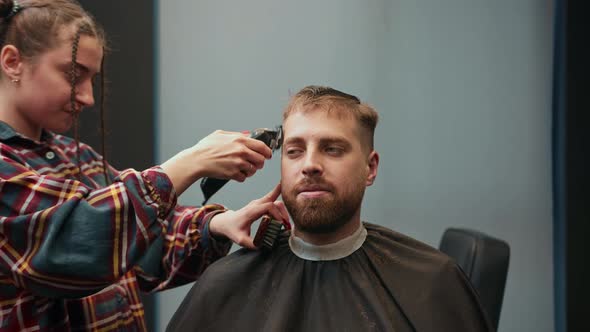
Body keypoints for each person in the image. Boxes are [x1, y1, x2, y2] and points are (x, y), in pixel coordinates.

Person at [0, 0, 289, 331]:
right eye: (72, 74)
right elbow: (80, 246)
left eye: (92, 79)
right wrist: (190, 162)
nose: (88, 97)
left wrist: (219, 226)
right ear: (12, 62)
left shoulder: (77, 156)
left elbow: (147, 245)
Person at [167, 85, 495, 332]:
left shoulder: (433, 282)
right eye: (294, 151)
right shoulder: (224, 285)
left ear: (370, 168)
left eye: (332, 149)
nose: (310, 165)